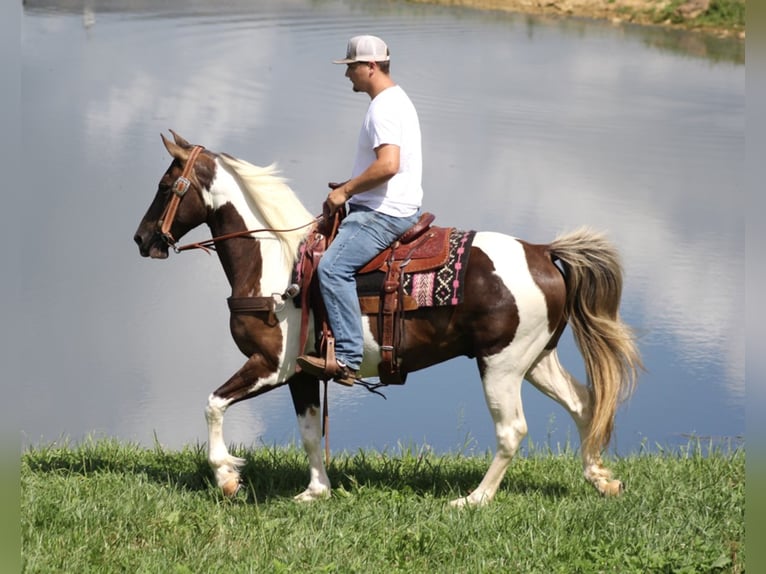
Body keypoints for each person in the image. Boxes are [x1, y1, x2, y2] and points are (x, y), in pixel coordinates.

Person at [297, 35, 423, 386]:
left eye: (351, 67)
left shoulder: (383, 108)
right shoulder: (396, 99)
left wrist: (346, 192)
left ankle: (349, 359)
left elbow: (388, 165)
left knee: (332, 269)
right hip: (391, 203)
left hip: (384, 213)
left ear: (370, 66)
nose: (347, 74)